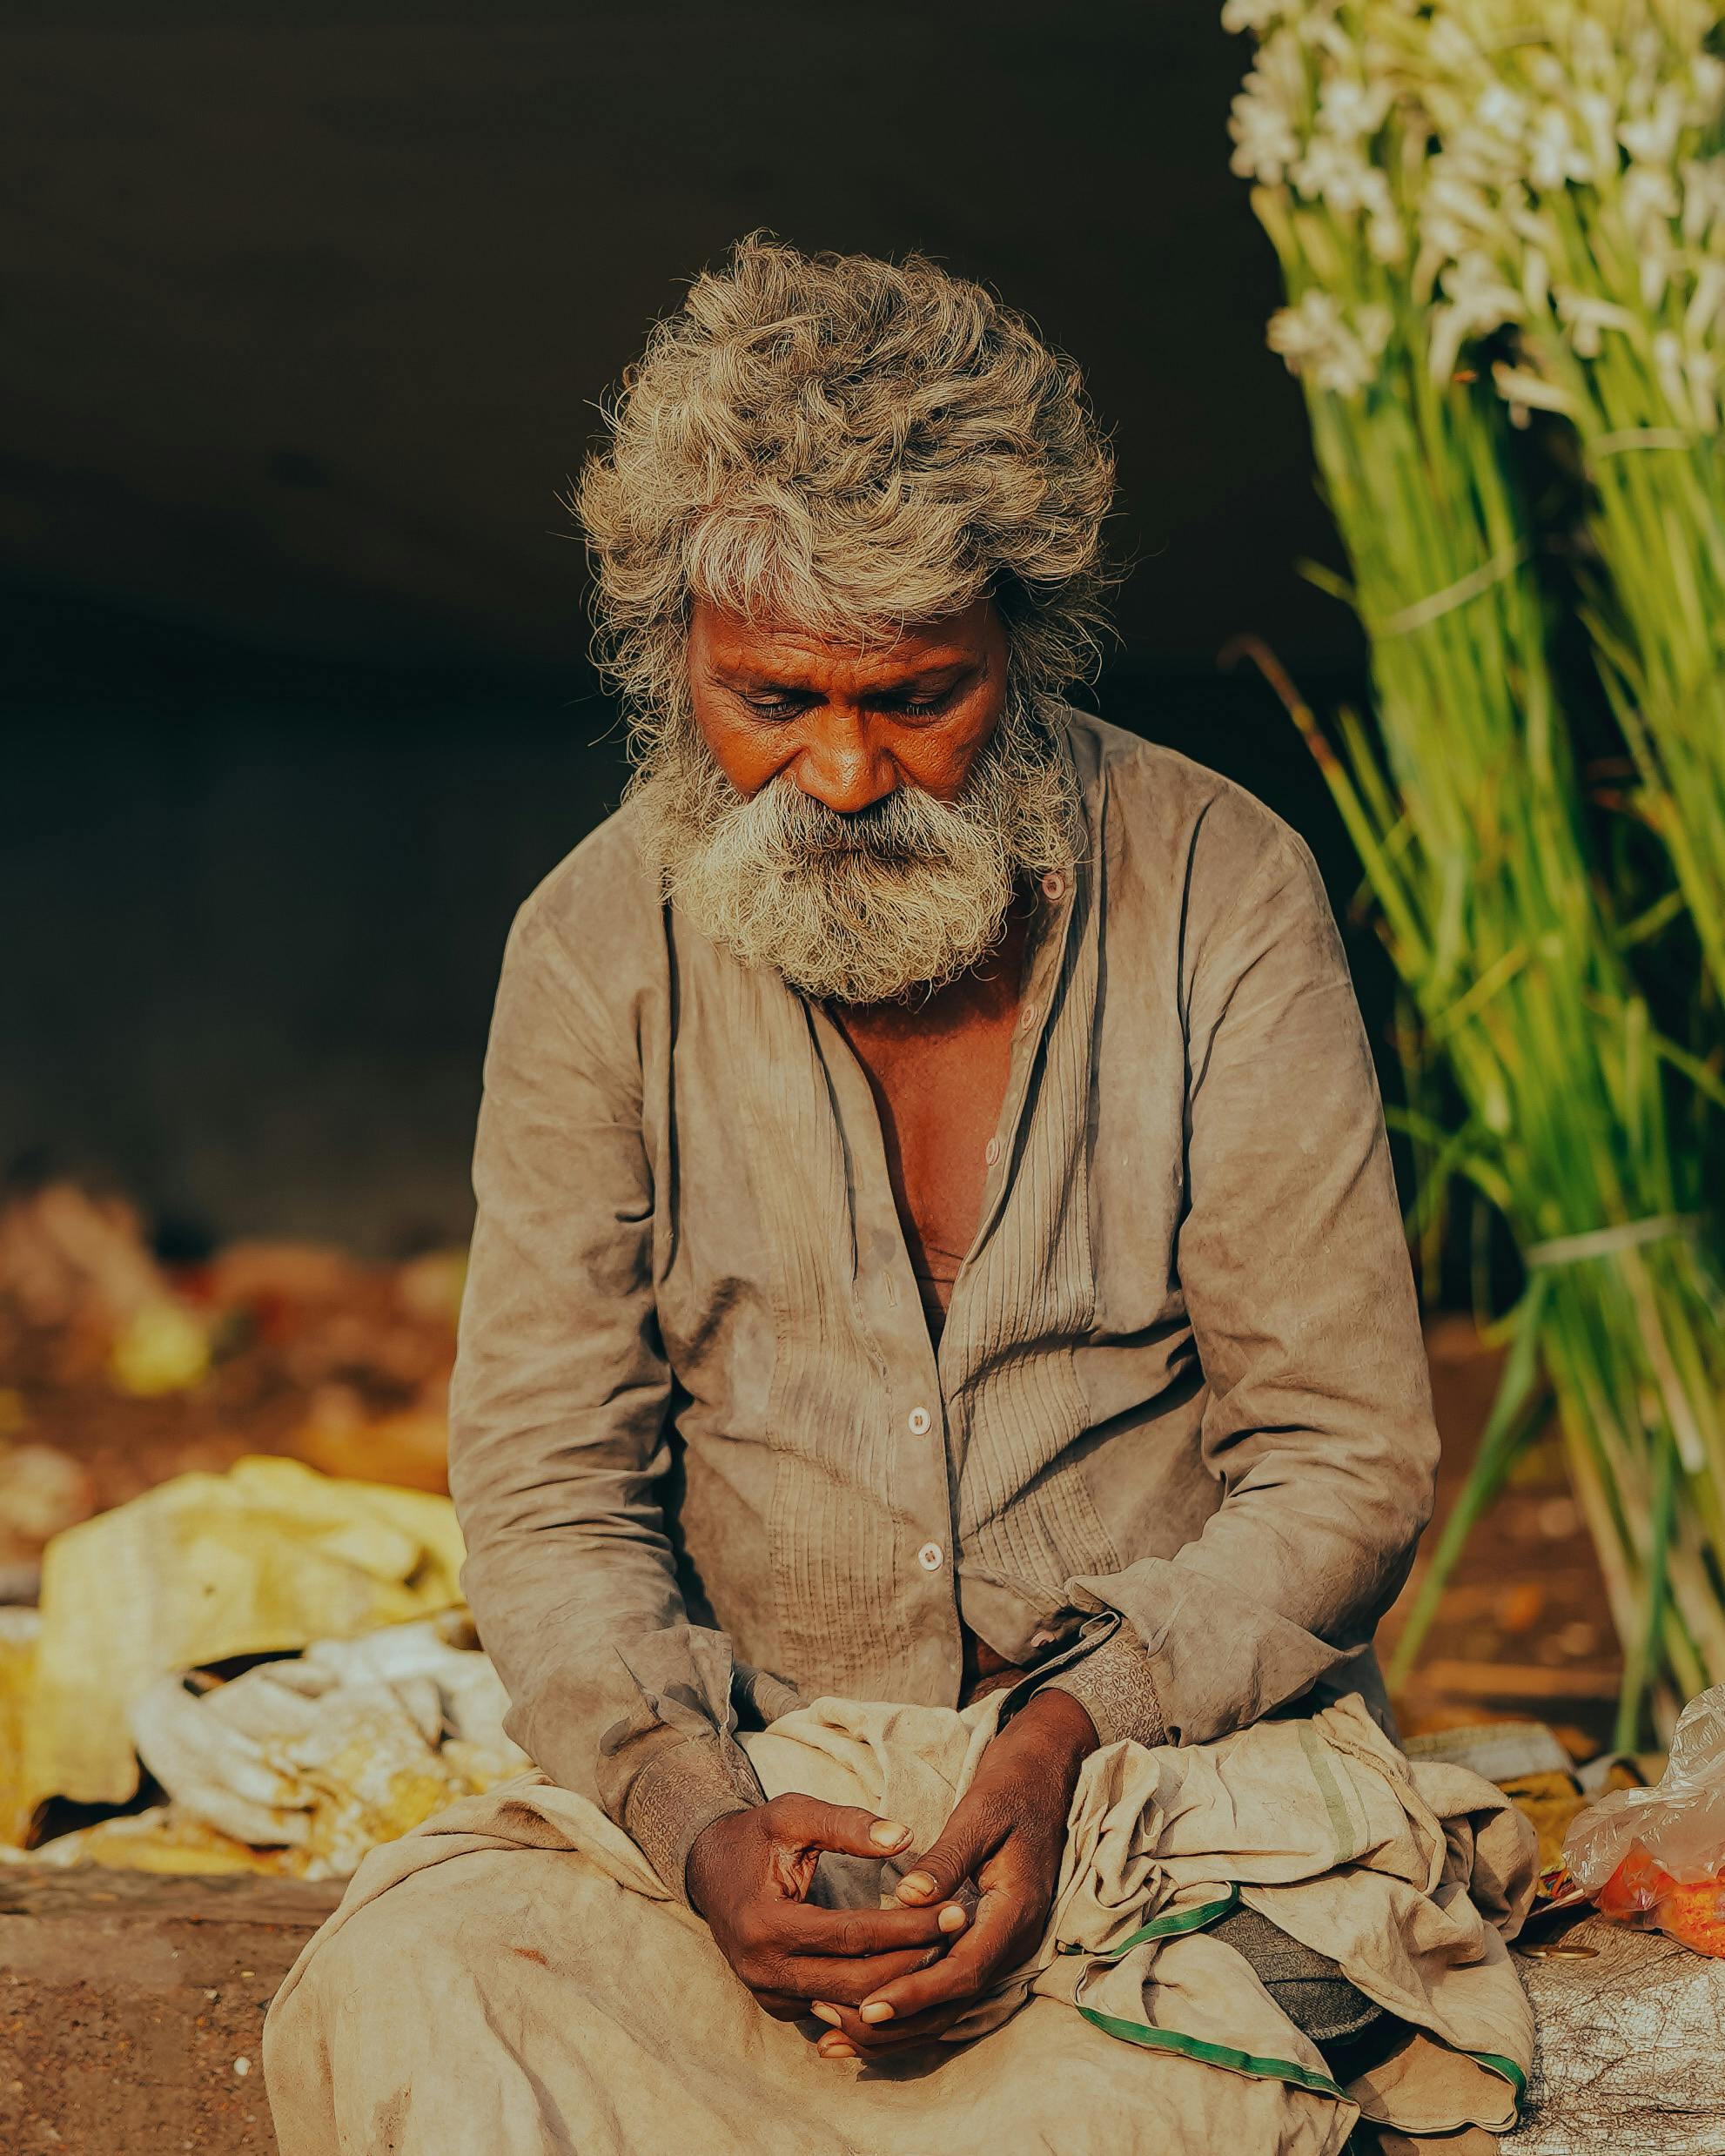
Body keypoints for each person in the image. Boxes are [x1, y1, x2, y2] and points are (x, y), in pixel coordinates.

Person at [264, 233, 1446, 2152]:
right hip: (761, 1779)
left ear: (1025, 648)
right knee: (419, 1997)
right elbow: (553, 1491)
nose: (836, 769)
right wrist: (692, 1812)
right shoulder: (589, 949)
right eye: (768, 699)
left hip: (1161, 1783)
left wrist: (1071, 1735)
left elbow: (1343, 1456)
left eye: (914, 696)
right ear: (672, 668)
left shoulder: (1222, 892)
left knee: (1170, 2093)